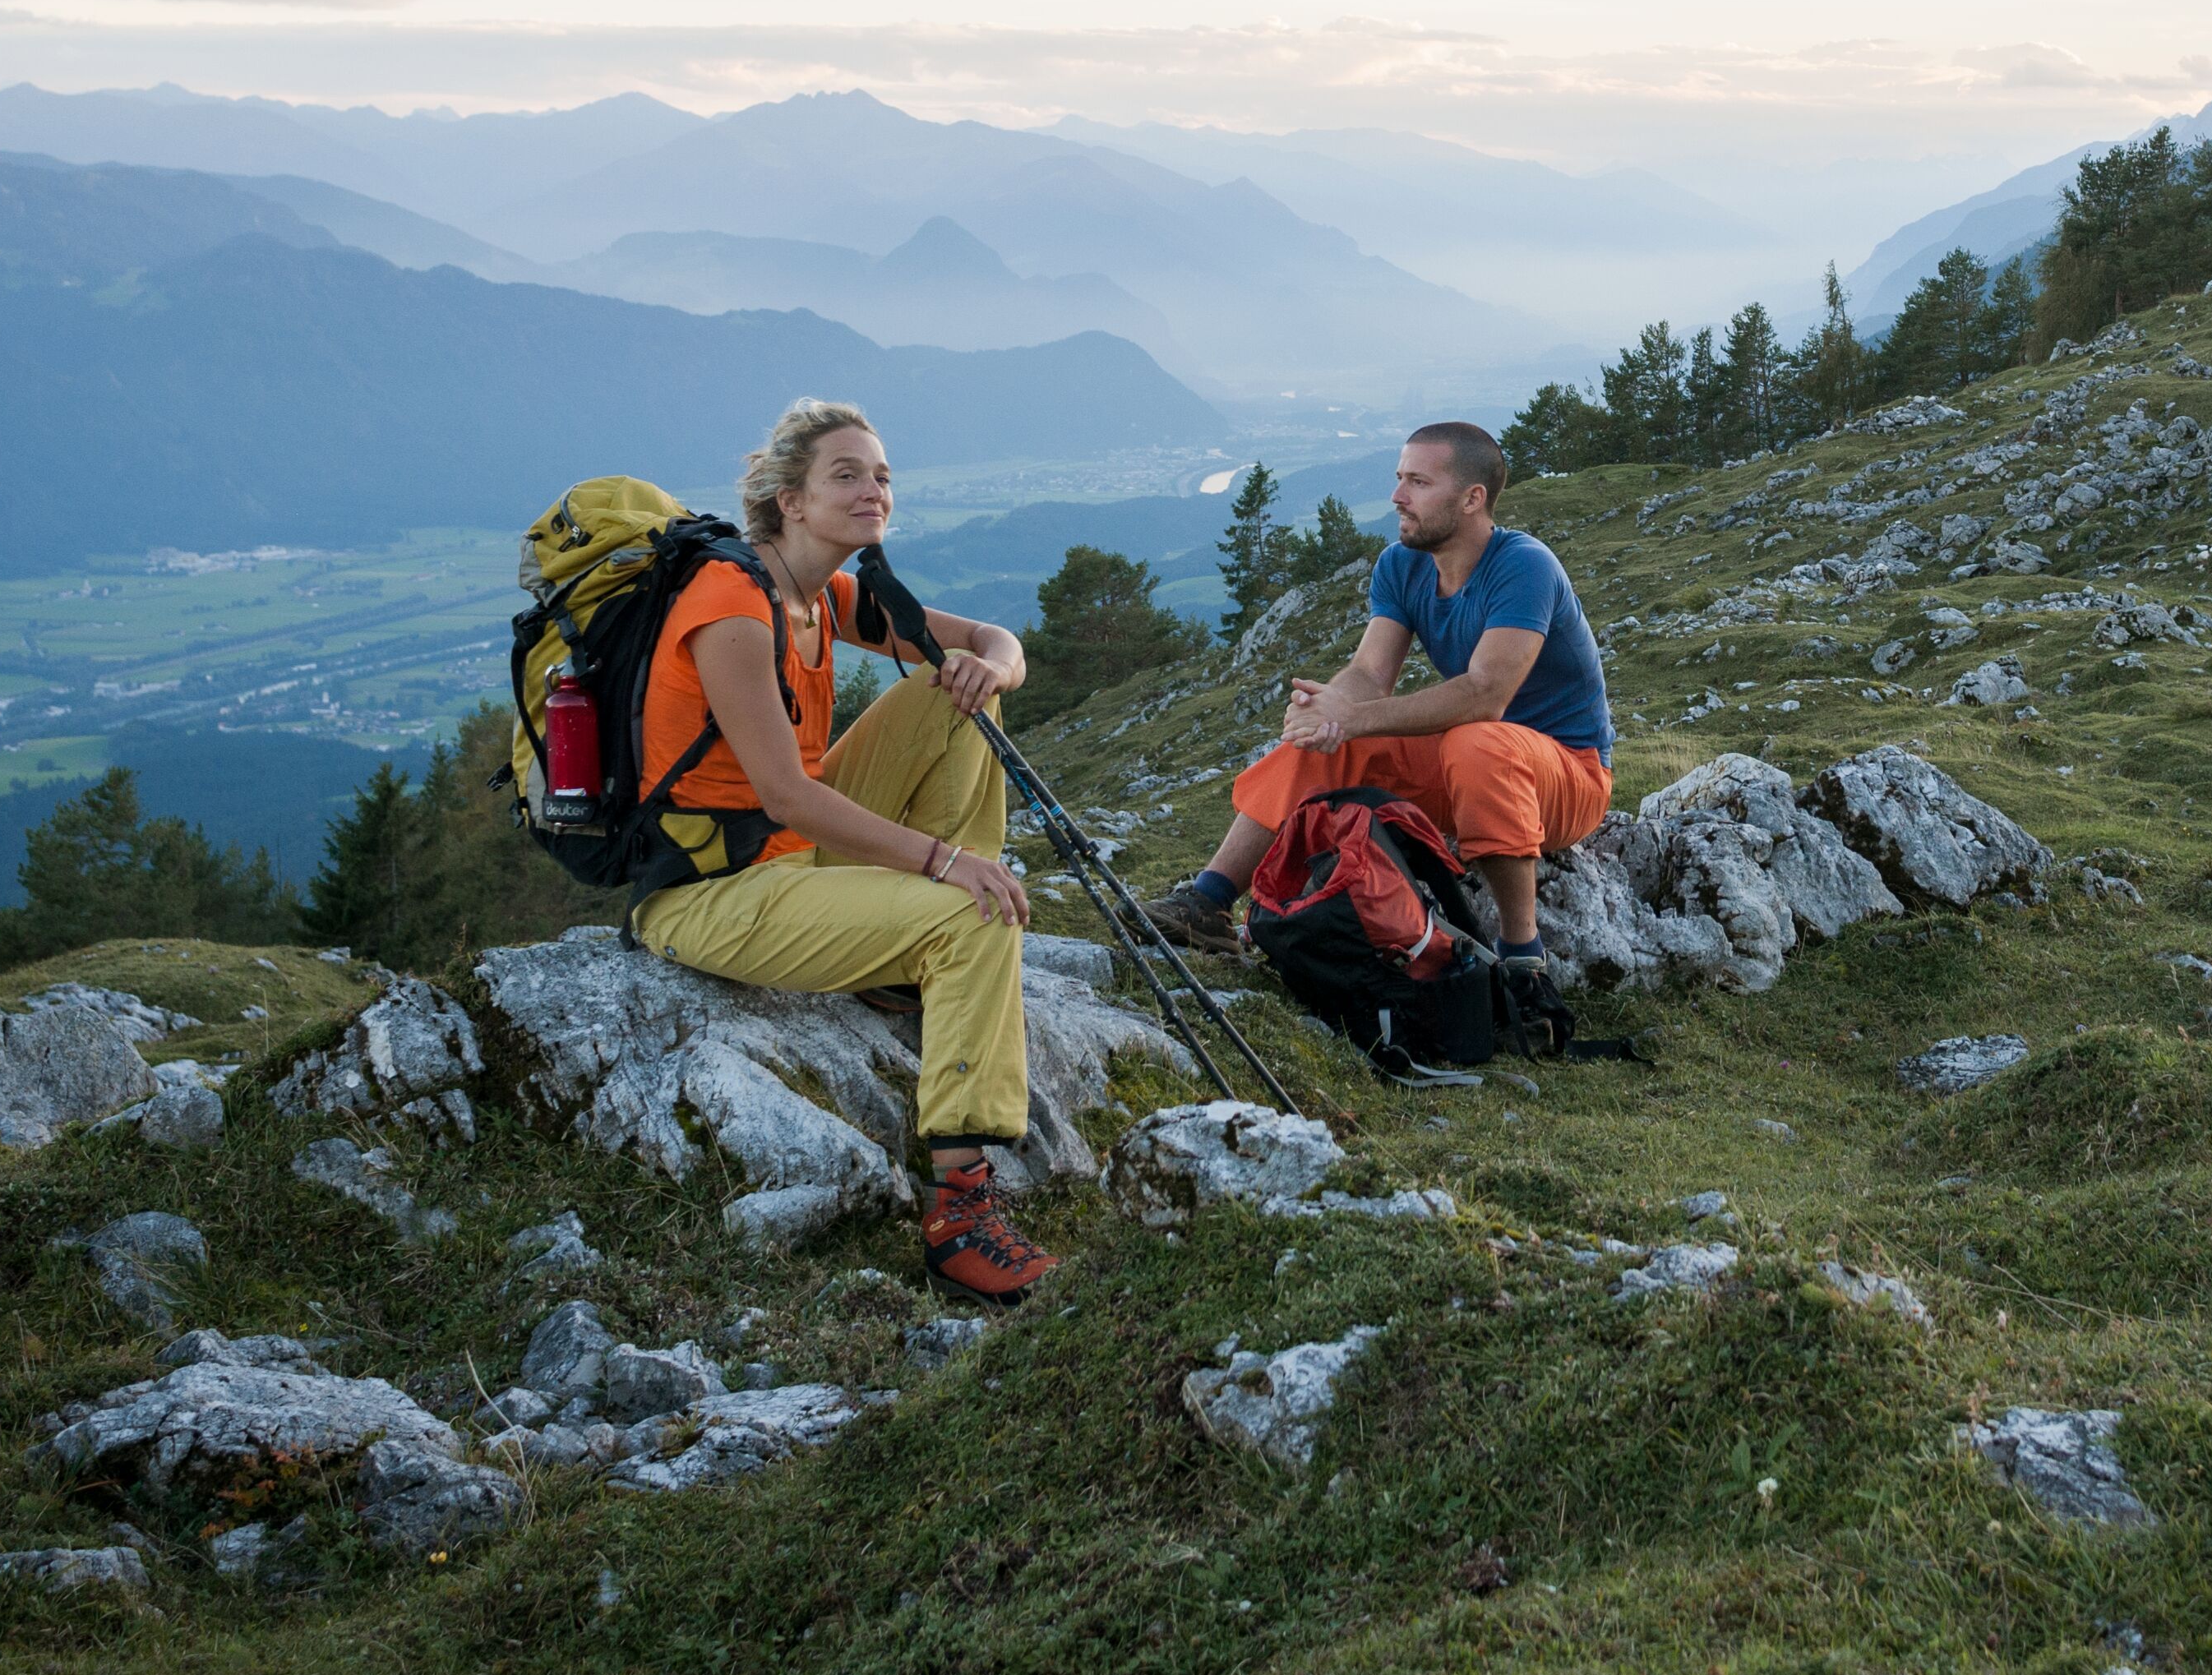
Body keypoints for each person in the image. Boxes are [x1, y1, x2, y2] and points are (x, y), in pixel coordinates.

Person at [627, 395, 1055, 1302]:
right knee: (972, 916)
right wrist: (945, 865)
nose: (874, 492)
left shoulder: (825, 593)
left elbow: (989, 641)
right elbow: (786, 795)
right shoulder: (732, 607)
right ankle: (958, 1216)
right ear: (789, 499)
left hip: (796, 857)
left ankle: (900, 957)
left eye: (883, 475)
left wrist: (995, 666)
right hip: (717, 890)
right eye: (846, 475)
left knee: (954, 692)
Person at [1151, 421, 1609, 993]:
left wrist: (1355, 716)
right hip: (1471, 771)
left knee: (1475, 738)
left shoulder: (1524, 566)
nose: (1397, 496)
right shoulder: (1402, 563)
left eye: (1418, 481)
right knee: (1336, 742)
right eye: (1399, 479)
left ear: (1472, 499)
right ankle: (1208, 902)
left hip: (1566, 777)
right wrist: (1329, 708)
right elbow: (1370, 673)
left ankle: (1522, 957)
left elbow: (1484, 695)